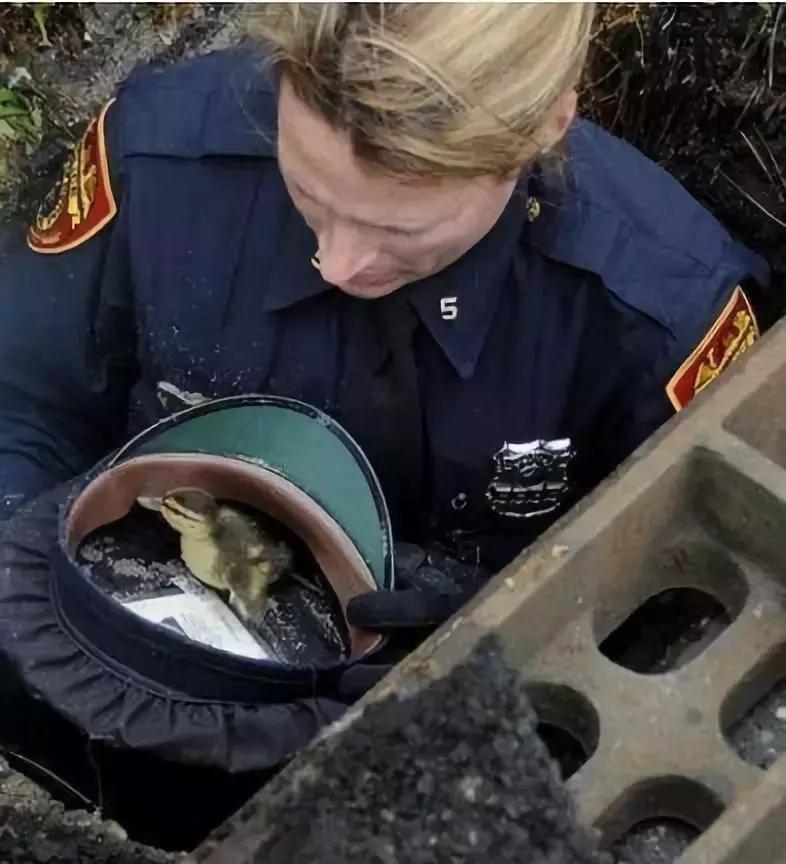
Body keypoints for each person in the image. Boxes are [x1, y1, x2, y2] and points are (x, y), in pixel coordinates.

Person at [0, 3, 773, 674]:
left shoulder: (657, 318)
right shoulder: (163, 160)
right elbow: (25, 400)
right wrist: (45, 599)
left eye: (399, 232)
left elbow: (679, 611)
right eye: (307, 191)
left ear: (541, 132)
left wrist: (500, 643)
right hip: (128, 632)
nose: (337, 263)